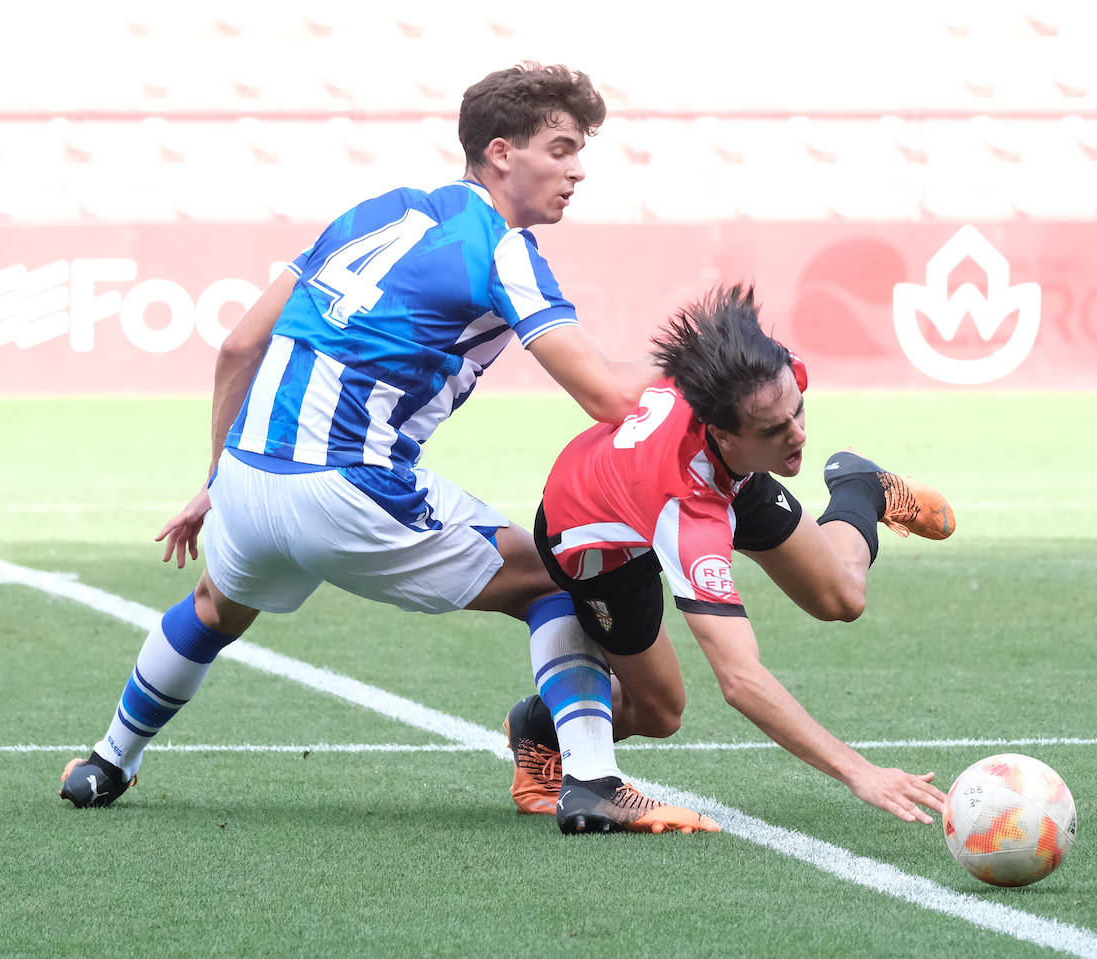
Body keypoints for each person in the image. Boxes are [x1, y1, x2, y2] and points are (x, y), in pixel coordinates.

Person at [58, 62, 712, 833]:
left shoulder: (374, 212)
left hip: (250, 479)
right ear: (500, 153)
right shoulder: (499, 247)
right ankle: (594, 781)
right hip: (349, 489)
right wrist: (706, 368)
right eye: (561, 149)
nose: (577, 170)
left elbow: (239, 347)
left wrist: (217, 477)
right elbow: (606, 395)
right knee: (559, 577)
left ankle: (107, 759)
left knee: (213, 607)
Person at [503, 283, 954, 834]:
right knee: (661, 712)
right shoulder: (687, 514)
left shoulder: (763, 381)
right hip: (598, 544)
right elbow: (740, 679)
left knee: (843, 597)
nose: (799, 436)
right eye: (775, 430)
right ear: (721, 430)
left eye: (799, 412)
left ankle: (859, 486)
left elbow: (771, 413)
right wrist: (860, 772)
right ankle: (542, 729)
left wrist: (769, 434)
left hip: (729, 473)